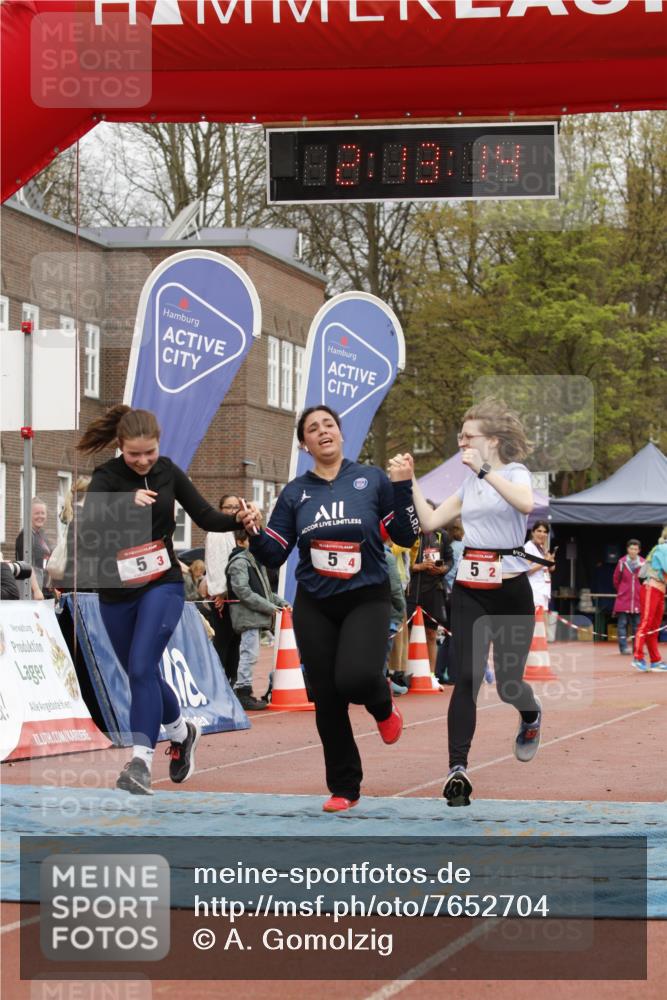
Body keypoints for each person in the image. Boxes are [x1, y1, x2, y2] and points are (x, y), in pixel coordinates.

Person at [75, 404, 256, 795]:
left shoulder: (168, 471)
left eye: (150, 452)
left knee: (142, 666)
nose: (143, 461)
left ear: (159, 445)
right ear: (120, 447)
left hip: (162, 583)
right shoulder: (106, 478)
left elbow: (206, 516)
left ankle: (139, 762)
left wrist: (239, 520)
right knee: (142, 675)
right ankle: (181, 731)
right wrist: (125, 504)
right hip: (116, 591)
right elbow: (87, 525)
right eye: (134, 454)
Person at [249, 405, 419, 812]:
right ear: (304, 443)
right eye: (313, 428)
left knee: (358, 679)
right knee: (326, 697)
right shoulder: (294, 493)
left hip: (366, 595)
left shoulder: (372, 480)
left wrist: (402, 486)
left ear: (341, 435)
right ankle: (345, 786)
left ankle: (381, 703)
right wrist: (253, 530)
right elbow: (274, 554)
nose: (322, 431)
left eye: (329, 425)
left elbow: (406, 533)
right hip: (316, 602)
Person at [390, 397, 545, 807]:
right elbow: (429, 521)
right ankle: (457, 769)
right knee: (468, 677)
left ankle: (529, 714)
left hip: (511, 590)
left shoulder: (514, 473)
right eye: (459, 434)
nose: (461, 441)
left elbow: (526, 505)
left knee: (510, 684)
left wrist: (484, 470)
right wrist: (411, 482)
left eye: (468, 435)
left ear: (491, 439)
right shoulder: (467, 484)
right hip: (471, 589)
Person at [226, 529, 290, 710]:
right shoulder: (240, 562)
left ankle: (244, 690)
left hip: (254, 614)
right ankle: (242, 691)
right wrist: (270, 607)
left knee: (250, 653)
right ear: (241, 542)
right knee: (249, 653)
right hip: (247, 616)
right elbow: (243, 591)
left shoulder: (255, 561)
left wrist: (281, 603)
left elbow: (266, 592)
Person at [405, 506, 453, 671]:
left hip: (434, 590)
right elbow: (400, 561)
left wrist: (443, 569)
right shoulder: (409, 533)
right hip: (411, 590)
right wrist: (417, 567)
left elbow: (449, 560)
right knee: (407, 633)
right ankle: (405, 674)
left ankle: (431, 675)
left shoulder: (442, 535)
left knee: (431, 634)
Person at [203, 495, 243, 685]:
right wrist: (219, 592)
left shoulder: (235, 531)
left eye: (236, 506)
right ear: (220, 508)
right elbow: (216, 563)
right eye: (229, 507)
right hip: (224, 596)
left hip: (235, 594)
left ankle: (230, 679)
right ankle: (218, 681)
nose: (233, 510)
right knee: (223, 639)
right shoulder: (218, 531)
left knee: (235, 640)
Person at [632, 527, 667, 673]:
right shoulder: (663, 548)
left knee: (654, 627)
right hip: (650, 588)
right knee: (646, 623)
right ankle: (638, 657)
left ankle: (655, 661)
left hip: (660, 591)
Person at [15, 497, 52, 599]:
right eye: (37, 513)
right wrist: (36, 590)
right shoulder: (25, 536)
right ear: (29, 515)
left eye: (43, 513)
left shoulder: (41, 535)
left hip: (44, 588)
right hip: (31, 591)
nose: (40, 516)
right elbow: (26, 565)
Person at [612, 539, 644, 656]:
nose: (633, 551)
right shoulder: (622, 562)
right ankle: (624, 648)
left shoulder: (643, 563)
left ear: (639, 550)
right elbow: (616, 579)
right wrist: (622, 590)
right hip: (623, 598)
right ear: (627, 549)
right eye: (631, 549)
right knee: (622, 624)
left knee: (637, 625)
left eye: (636, 549)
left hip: (637, 598)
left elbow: (645, 579)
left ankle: (637, 648)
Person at [524, 520, 556, 613]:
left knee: (543, 624)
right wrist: (543, 562)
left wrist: (547, 553)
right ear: (533, 532)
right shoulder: (529, 547)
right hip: (534, 590)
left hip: (544, 590)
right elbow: (526, 570)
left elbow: (552, 568)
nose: (542, 534)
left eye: (545, 532)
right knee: (539, 624)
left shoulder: (542, 548)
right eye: (539, 531)